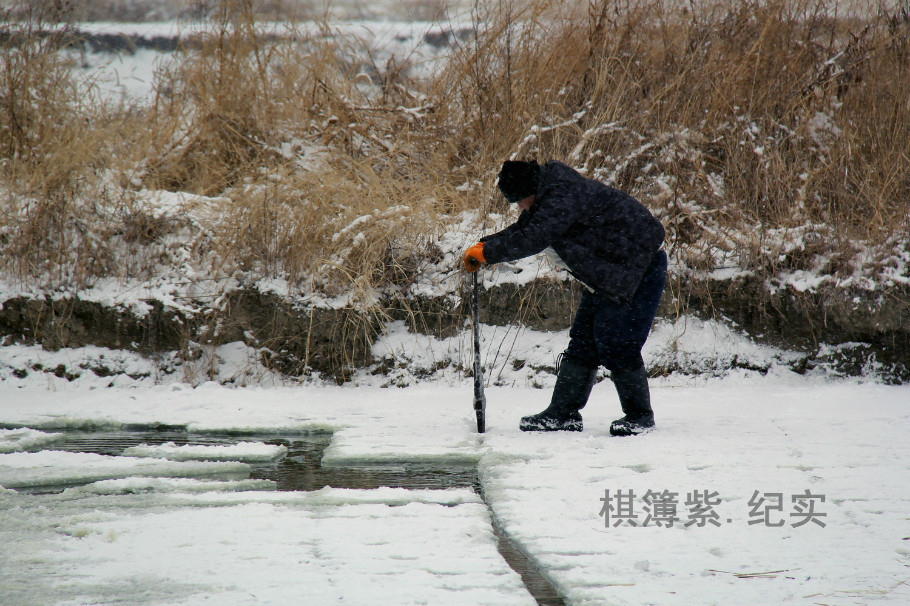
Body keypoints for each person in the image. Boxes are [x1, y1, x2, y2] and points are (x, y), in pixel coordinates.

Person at [463, 159, 667, 436]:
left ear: (531, 189)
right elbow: (525, 228)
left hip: (637, 268)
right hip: (609, 272)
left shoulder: (562, 196)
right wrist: (485, 244)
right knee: (583, 342)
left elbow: (535, 237)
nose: (521, 206)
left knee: (618, 343)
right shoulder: (550, 195)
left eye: (521, 200)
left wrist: (488, 254)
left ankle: (640, 417)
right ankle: (563, 414)